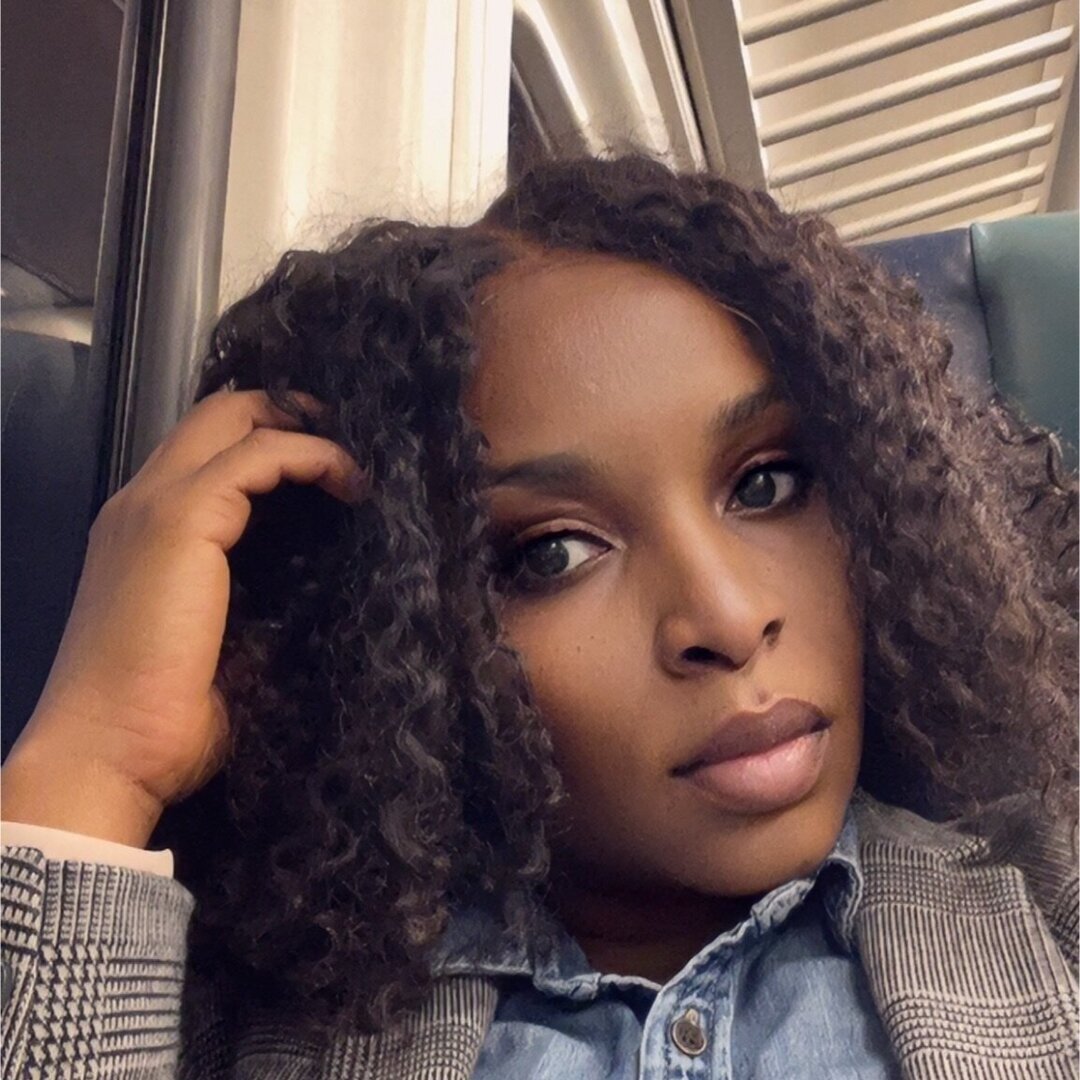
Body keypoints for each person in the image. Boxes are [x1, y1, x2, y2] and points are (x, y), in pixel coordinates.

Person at [1, 154, 1076, 1078]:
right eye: (553, 553)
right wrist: (96, 761)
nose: (729, 616)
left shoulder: (1047, 910)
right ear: (400, 645)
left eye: (767, 483)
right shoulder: (256, 1023)